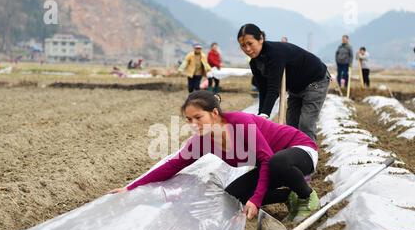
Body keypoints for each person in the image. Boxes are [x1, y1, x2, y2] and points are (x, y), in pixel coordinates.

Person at [109, 91, 320, 222]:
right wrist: (131, 187)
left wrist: (256, 200)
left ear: (215, 114)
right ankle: (289, 196)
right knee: (232, 195)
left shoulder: (240, 122)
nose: (194, 124)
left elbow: (266, 159)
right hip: (276, 166)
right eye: (189, 119)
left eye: (198, 117)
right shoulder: (202, 140)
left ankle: (306, 196)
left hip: (300, 151)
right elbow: (172, 165)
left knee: (276, 161)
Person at [237, 23, 330, 142]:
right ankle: (294, 153)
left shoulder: (275, 54)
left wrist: (265, 113)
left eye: (250, 44)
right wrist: (262, 115)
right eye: (243, 45)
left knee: (306, 124)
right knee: (292, 123)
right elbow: (263, 90)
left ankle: (308, 156)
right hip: (296, 87)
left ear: (261, 38)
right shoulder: (254, 63)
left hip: (315, 81)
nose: (247, 49)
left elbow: (273, 88)